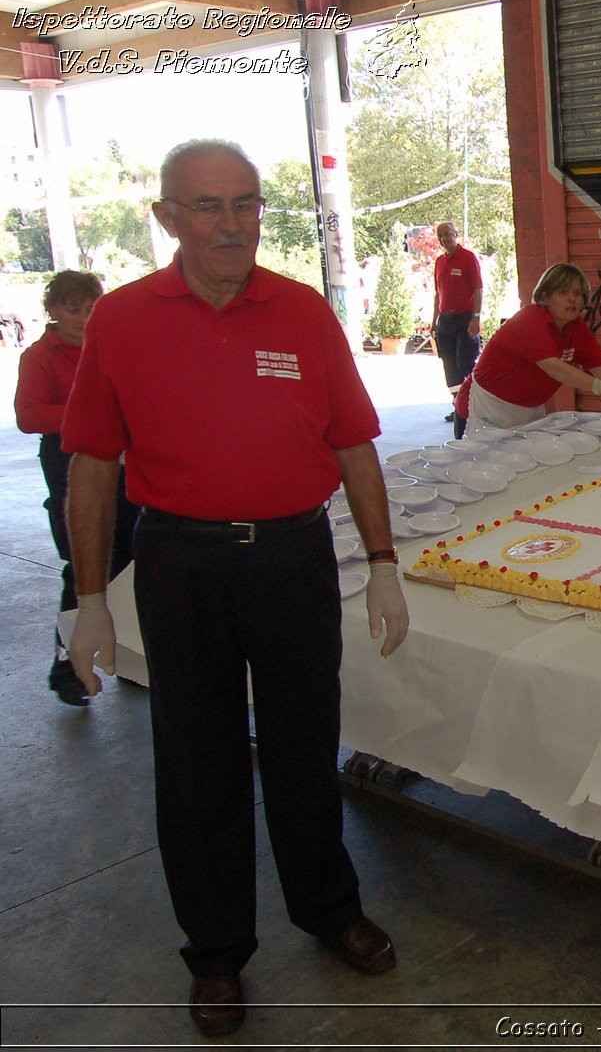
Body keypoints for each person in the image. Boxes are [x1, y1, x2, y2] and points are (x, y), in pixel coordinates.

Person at [61, 139, 410, 1037]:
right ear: (168, 216)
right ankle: (215, 952)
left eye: (246, 204)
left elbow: (353, 444)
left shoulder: (300, 312)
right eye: (208, 206)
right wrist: (93, 596)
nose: (230, 224)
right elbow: (93, 463)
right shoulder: (124, 321)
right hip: (180, 565)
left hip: (293, 558)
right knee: (198, 763)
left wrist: (381, 563)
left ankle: (329, 910)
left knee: (304, 744)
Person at [12, 271, 138, 705]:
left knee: (130, 558)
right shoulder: (40, 357)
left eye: (91, 308)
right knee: (83, 565)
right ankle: (67, 668)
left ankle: (133, 660)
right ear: (52, 310)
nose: (84, 318)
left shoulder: (114, 348)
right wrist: (90, 414)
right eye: (73, 309)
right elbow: (29, 415)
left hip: (122, 462)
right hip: (68, 463)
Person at [454, 262, 601, 436]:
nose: (573, 299)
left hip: (528, 413)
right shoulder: (530, 319)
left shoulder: (577, 330)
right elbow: (554, 367)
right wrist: (599, 387)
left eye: (578, 293)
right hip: (485, 407)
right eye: (563, 292)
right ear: (545, 295)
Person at [432, 221, 482, 420]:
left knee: (465, 363)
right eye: (440, 235)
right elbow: (438, 293)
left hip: (465, 319)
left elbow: (478, 290)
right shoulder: (440, 262)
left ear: (456, 234)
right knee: (449, 366)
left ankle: (474, 406)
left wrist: (475, 318)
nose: (444, 238)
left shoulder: (468, 258)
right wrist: (434, 319)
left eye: (448, 233)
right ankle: (458, 407)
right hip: (445, 321)